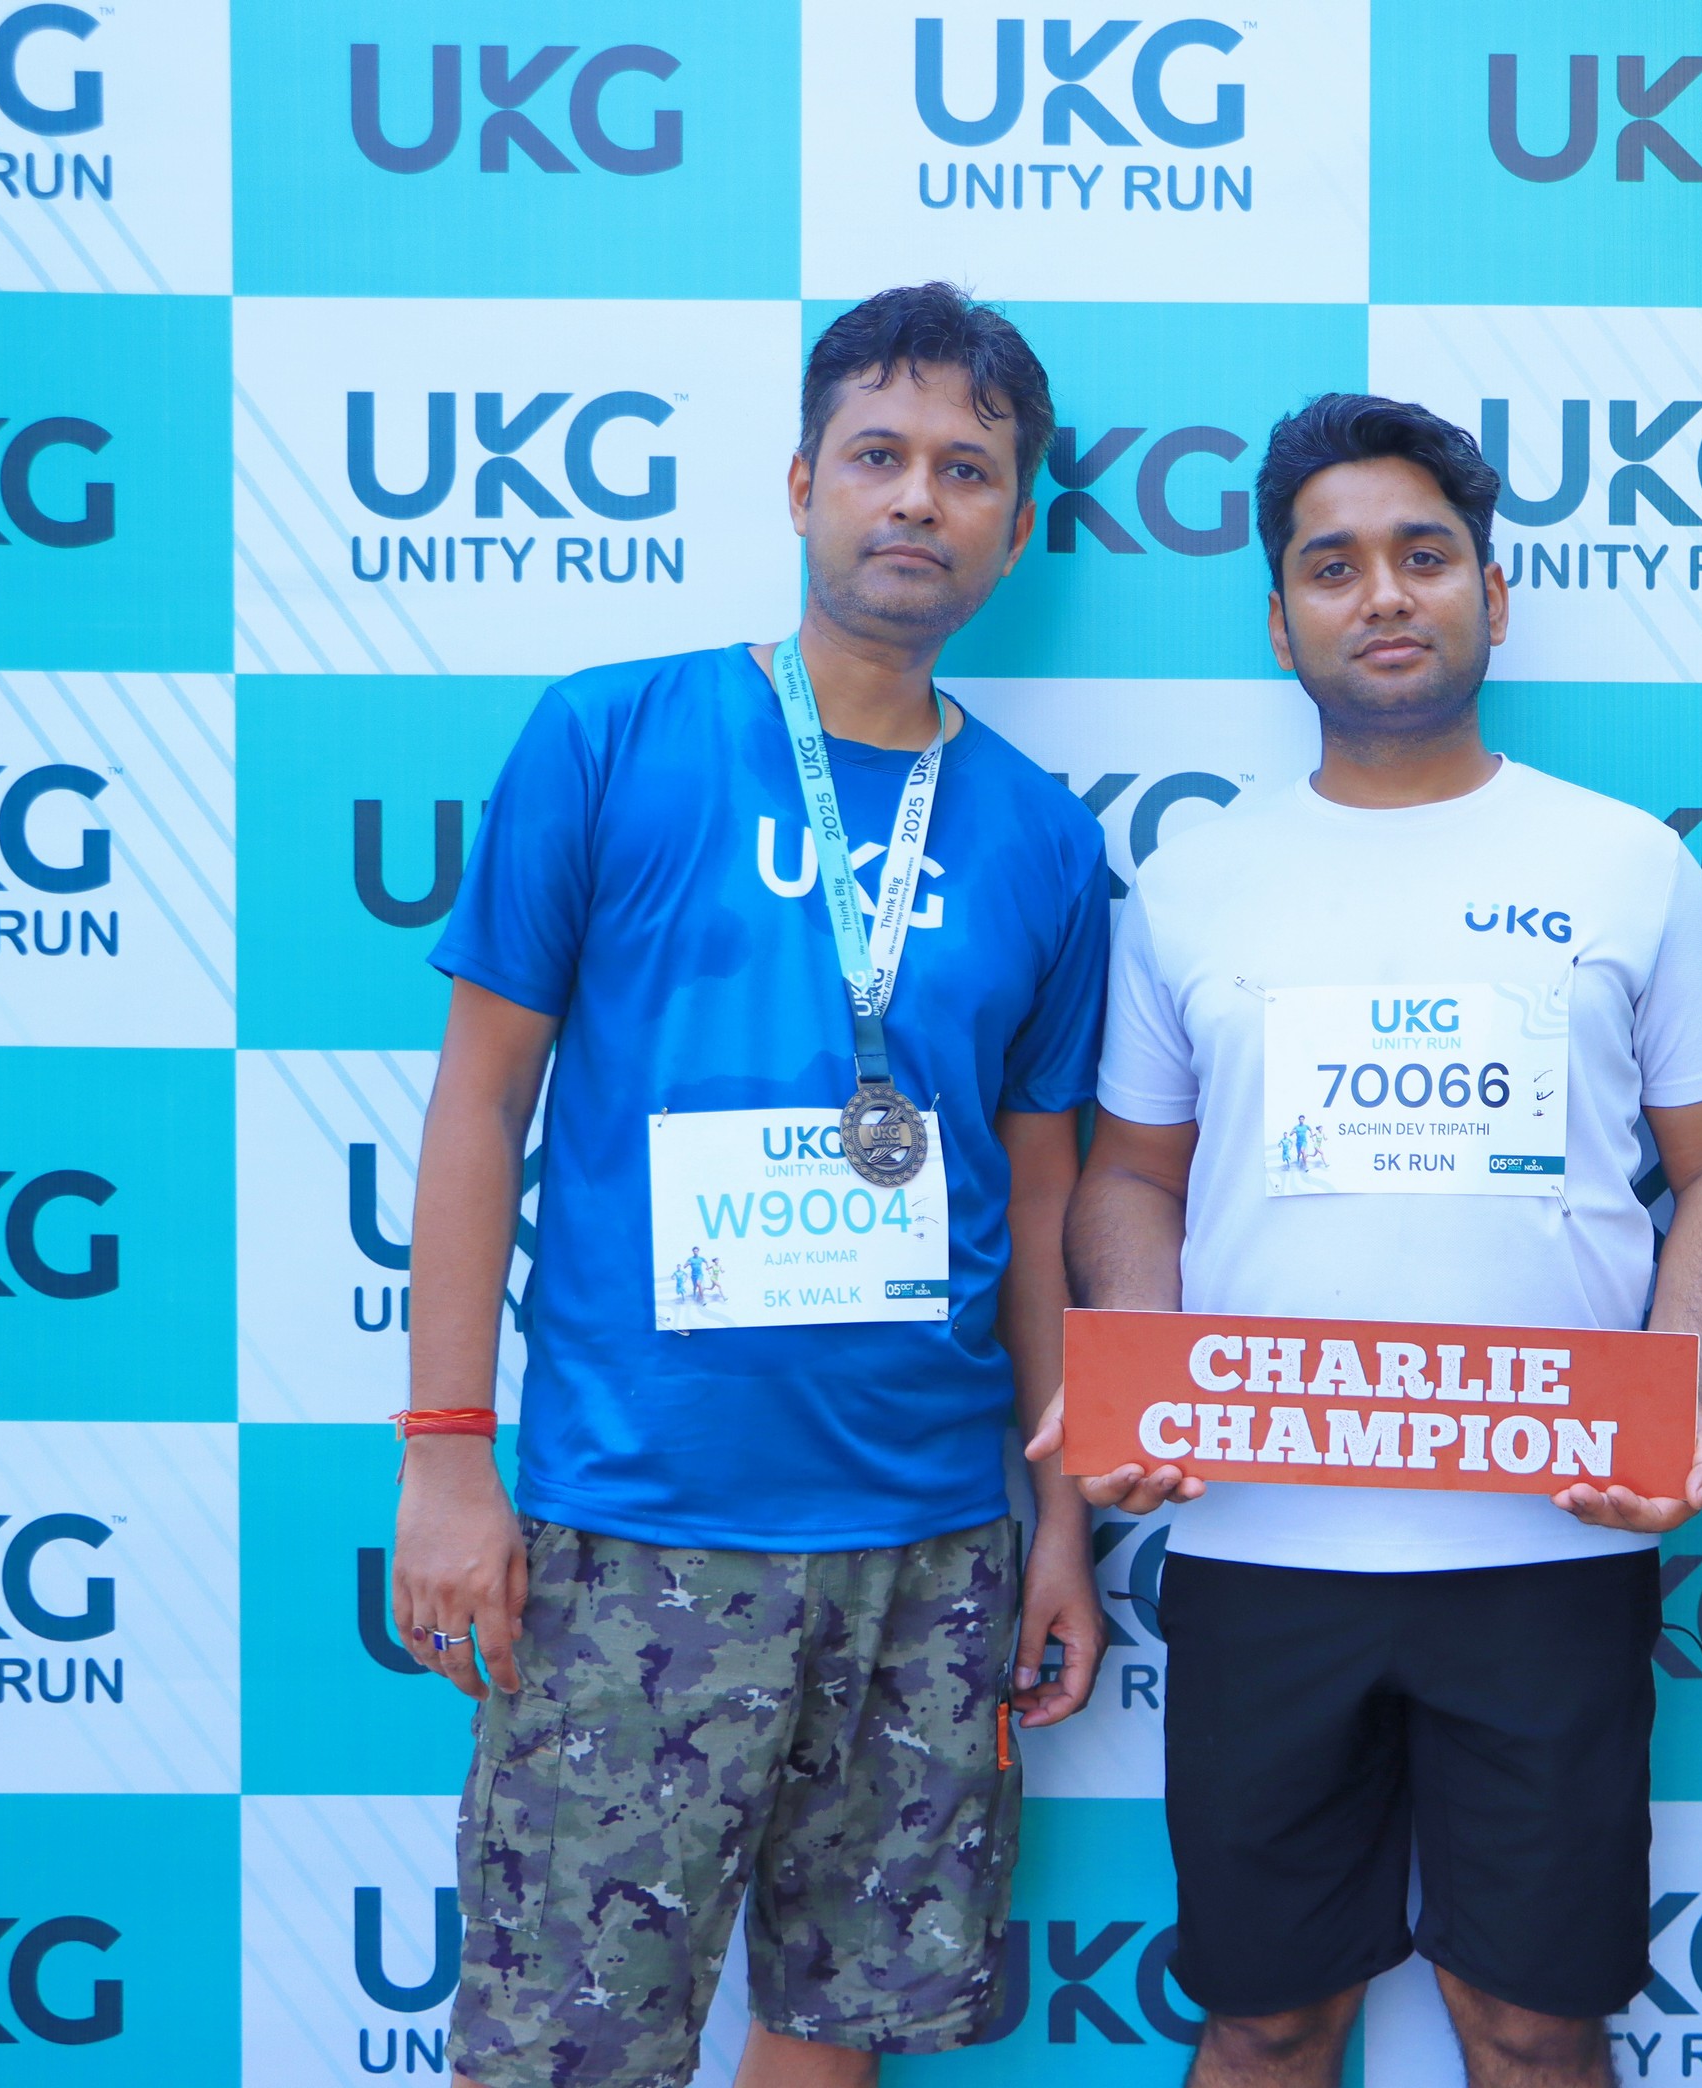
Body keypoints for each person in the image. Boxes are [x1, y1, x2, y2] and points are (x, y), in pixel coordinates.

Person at [392, 284, 1116, 2088]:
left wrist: (1057, 1523)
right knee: (563, 2049)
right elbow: (479, 1105)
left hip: (927, 1541)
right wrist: (446, 1452)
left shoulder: (1044, 835)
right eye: (878, 455)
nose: (917, 498)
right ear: (801, 485)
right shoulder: (610, 736)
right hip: (639, 1518)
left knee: (838, 2031)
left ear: (1013, 526)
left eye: (967, 470)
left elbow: (1040, 1213)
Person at [1029, 394, 1702, 2088]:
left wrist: (1674, 1388)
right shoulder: (1194, 881)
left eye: (1425, 556)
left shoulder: (1627, 865)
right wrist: (1140, 1370)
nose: (1383, 594)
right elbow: (1130, 1178)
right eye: (1335, 565)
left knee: (1533, 2024)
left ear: (1492, 595)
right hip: (1263, 1548)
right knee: (1266, 2019)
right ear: (1278, 619)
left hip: (1551, 1546)